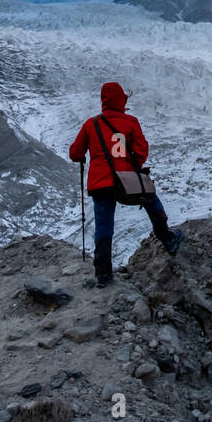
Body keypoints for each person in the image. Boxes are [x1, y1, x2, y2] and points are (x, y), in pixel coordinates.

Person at [69, 81, 183, 287]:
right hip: (126, 178)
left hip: (100, 183)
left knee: (104, 225)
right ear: (121, 99)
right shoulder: (130, 122)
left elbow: (75, 153)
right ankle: (168, 239)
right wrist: (131, 164)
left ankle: (103, 274)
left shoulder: (90, 124)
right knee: (151, 200)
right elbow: (141, 150)